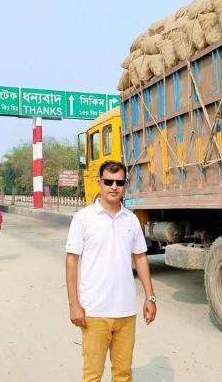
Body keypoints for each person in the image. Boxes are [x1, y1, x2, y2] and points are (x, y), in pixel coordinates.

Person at [65, 160, 157, 382]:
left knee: (123, 375)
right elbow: (71, 262)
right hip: (94, 312)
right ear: (99, 182)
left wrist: (150, 297)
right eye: (108, 181)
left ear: (125, 185)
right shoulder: (84, 219)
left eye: (119, 182)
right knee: (92, 375)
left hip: (126, 312)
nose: (113, 187)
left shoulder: (132, 220)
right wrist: (74, 304)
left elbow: (141, 257)